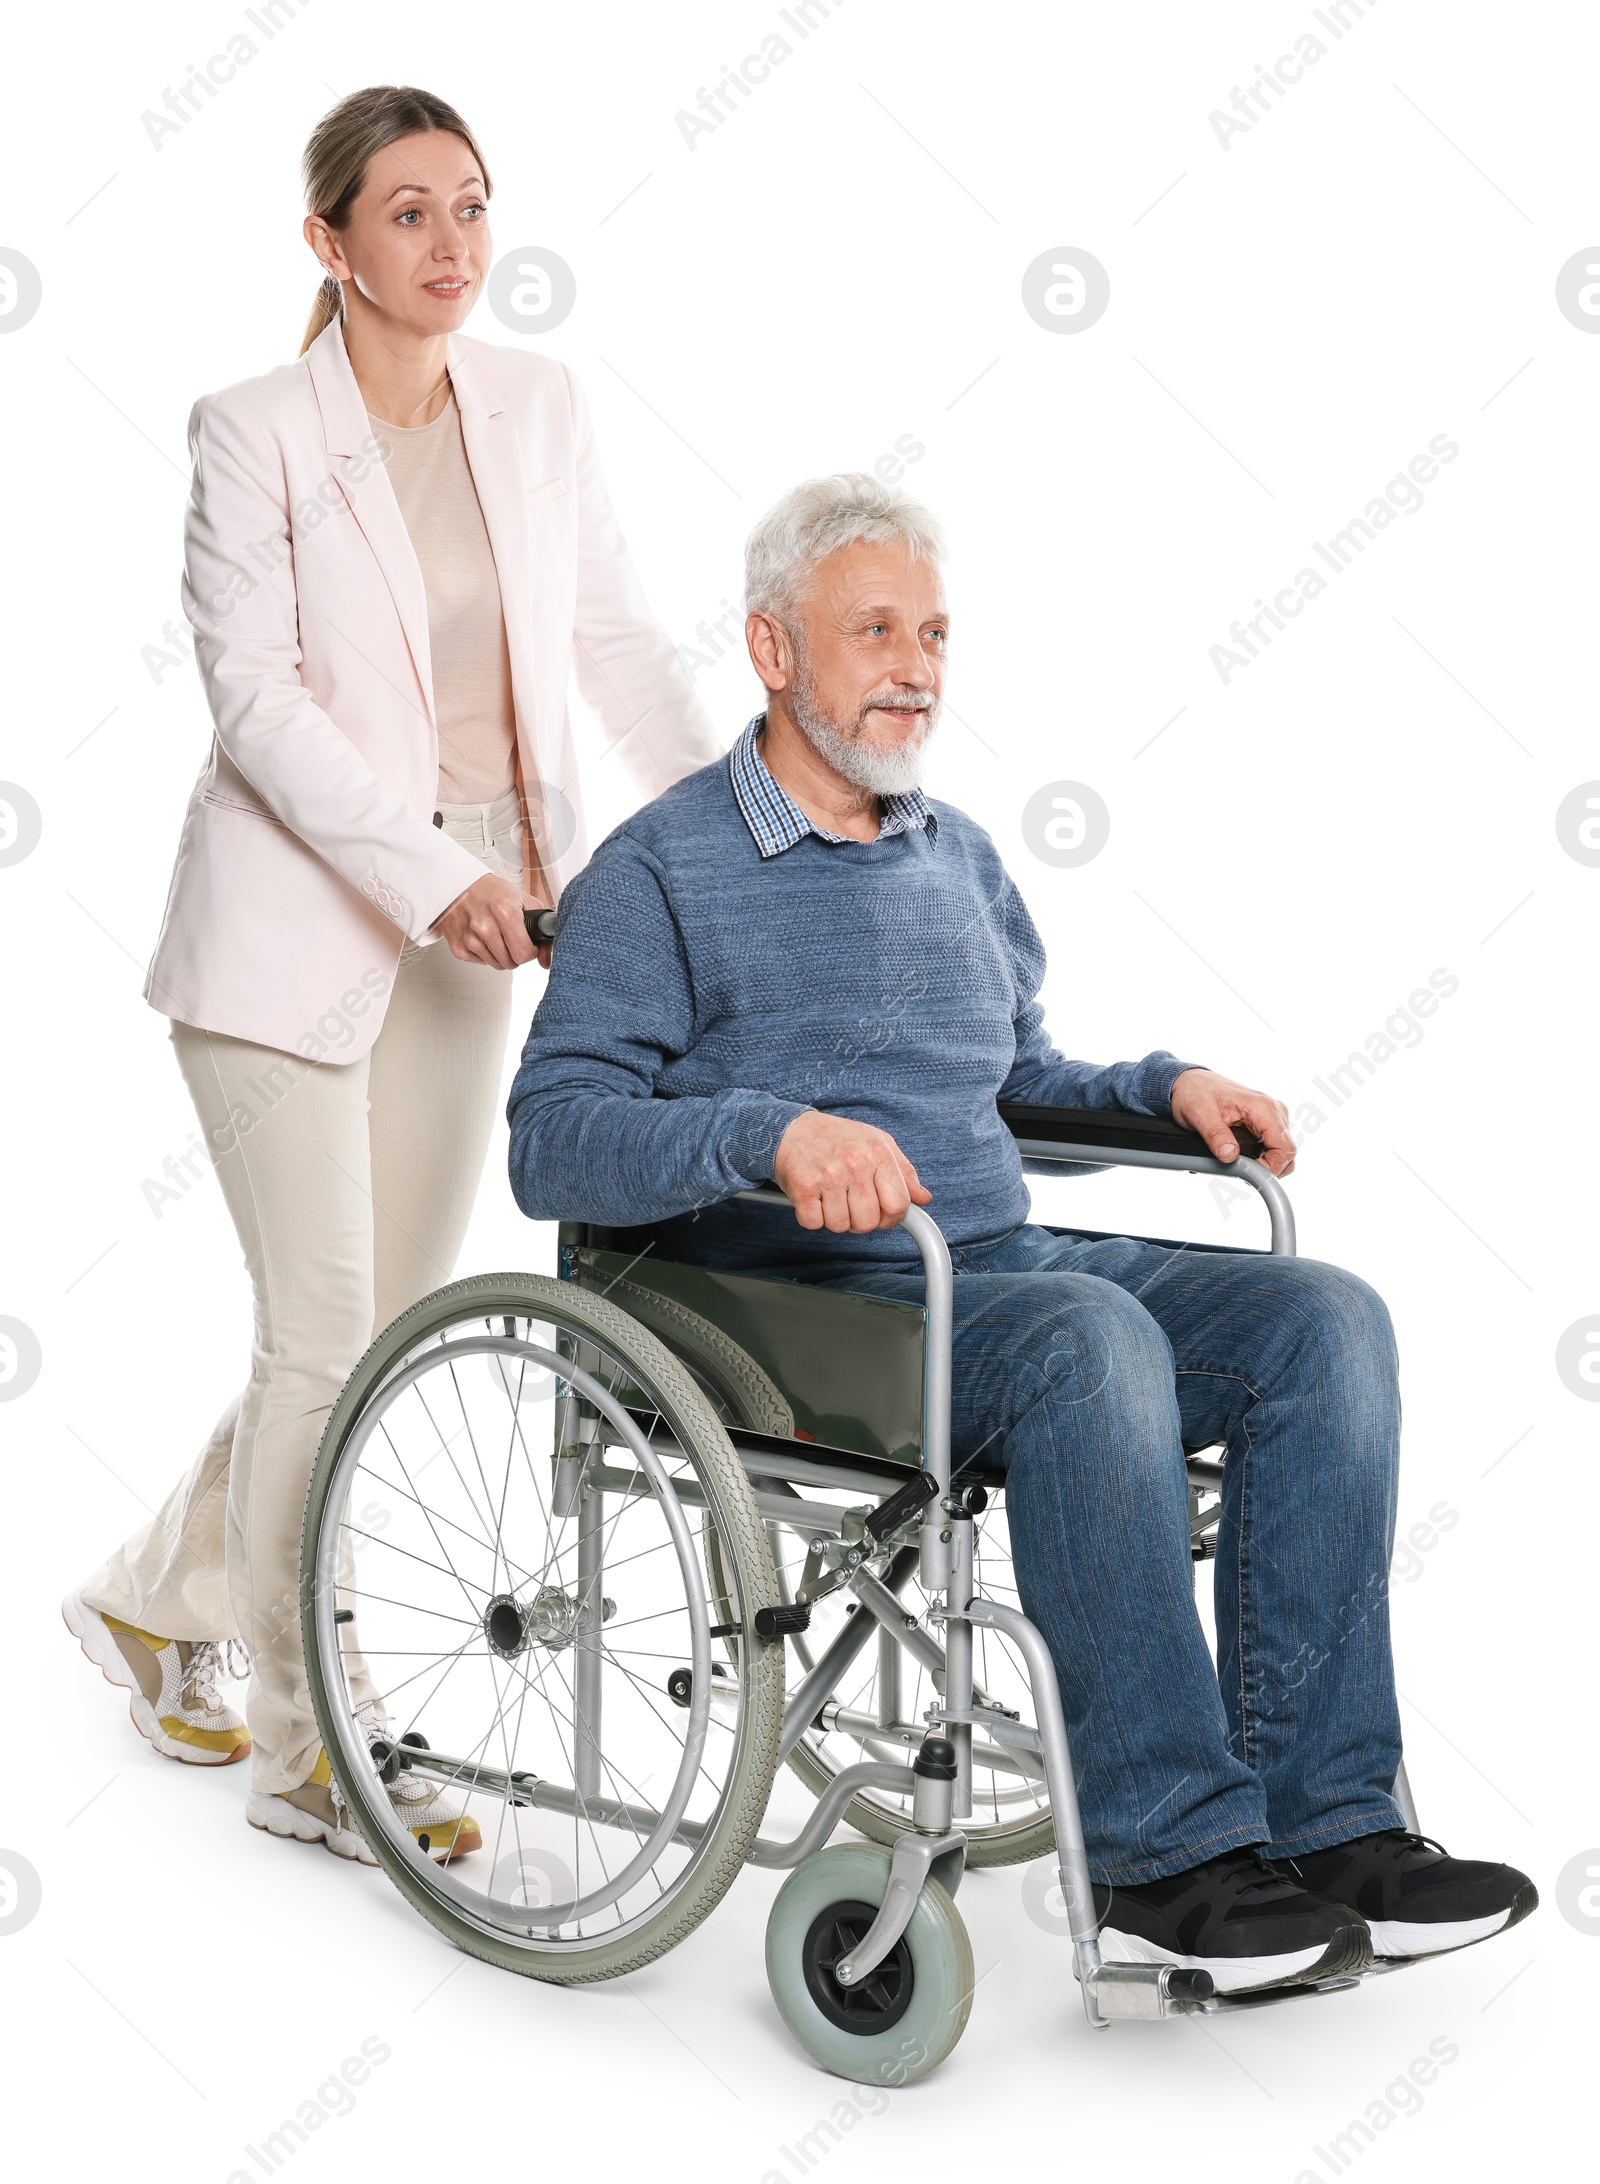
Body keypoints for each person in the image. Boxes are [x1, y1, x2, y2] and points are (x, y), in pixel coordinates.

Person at [502, 473, 1536, 1992]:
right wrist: (768, 1133)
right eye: (873, 630)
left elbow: (1014, 1081)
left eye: (931, 631)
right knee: (1089, 1343)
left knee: (1329, 1317)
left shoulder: (955, 855)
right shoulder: (658, 872)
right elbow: (551, 1139)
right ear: (774, 651)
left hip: (995, 1271)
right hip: (795, 1306)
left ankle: (1328, 1825)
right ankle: (1164, 1860)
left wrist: (1162, 1087)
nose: (914, 665)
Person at [65, 85, 718, 1866]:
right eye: (408, 214)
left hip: (487, 925)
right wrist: (441, 879)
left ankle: (153, 1595)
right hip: (292, 937)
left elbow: (608, 639)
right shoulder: (252, 428)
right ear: (328, 243)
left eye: (471, 209)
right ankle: (310, 1751)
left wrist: (749, 813)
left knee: (358, 1346)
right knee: (327, 1342)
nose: (450, 247)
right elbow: (258, 706)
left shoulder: (538, 406)